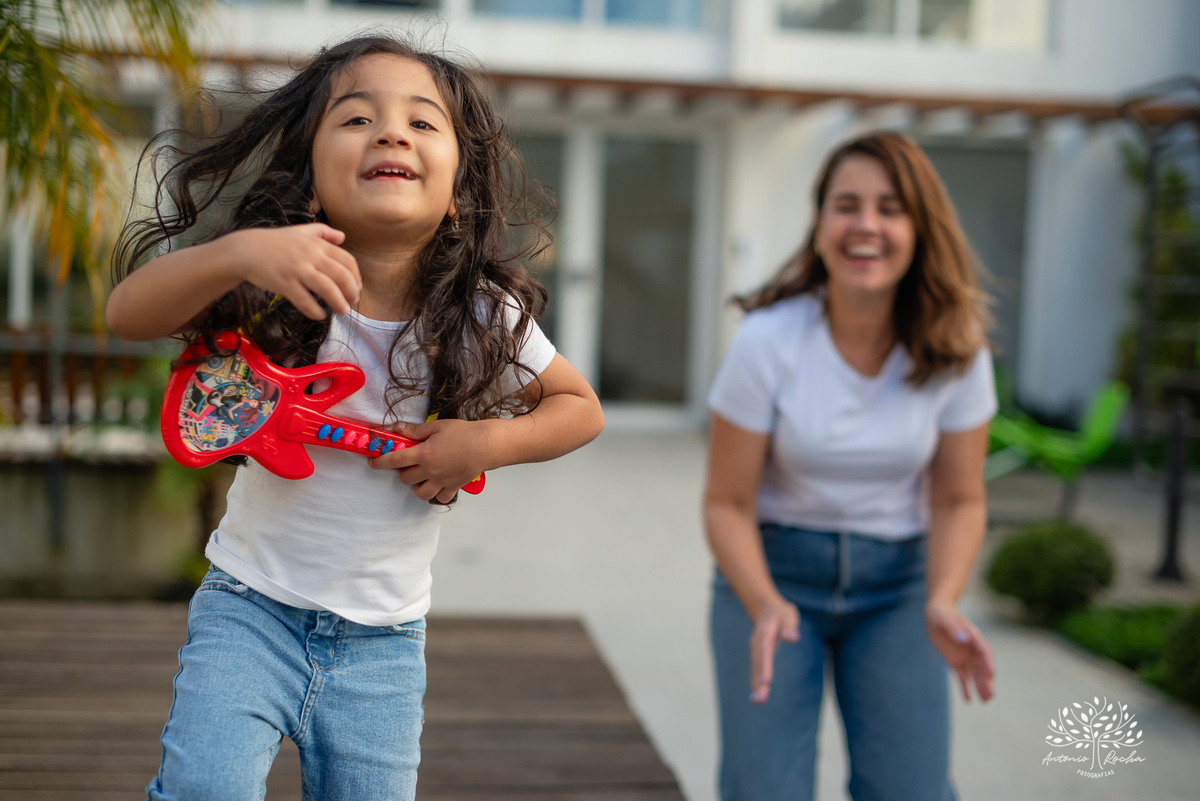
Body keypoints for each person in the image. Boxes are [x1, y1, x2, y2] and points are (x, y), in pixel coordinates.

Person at [106, 35, 605, 801]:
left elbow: (581, 408)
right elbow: (126, 314)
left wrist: (485, 442)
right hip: (249, 610)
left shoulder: (481, 309)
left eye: (421, 122)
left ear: (458, 190)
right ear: (309, 174)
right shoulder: (273, 276)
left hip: (384, 644)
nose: (391, 133)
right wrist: (238, 254)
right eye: (357, 118)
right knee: (203, 788)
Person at [703, 131, 997, 801]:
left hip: (898, 589)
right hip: (772, 575)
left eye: (890, 208)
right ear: (820, 224)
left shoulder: (959, 350)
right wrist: (764, 602)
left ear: (920, 227)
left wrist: (944, 598)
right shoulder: (767, 340)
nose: (866, 224)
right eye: (847, 205)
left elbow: (959, 499)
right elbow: (726, 502)